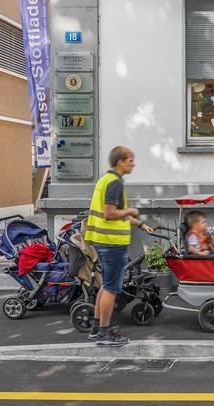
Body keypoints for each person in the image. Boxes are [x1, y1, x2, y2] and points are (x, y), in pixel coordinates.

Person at [84, 146, 154, 346]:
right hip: (112, 243)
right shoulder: (114, 183)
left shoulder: (105, 180)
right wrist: (131, 210)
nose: (134, 163)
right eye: (131, 160)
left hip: (104, 241)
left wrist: (140, 224)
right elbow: (110, 213)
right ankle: (105, 333)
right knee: (112, 288)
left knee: (106, 284)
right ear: (120, 162)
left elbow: (114, 213)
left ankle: (97, 327)